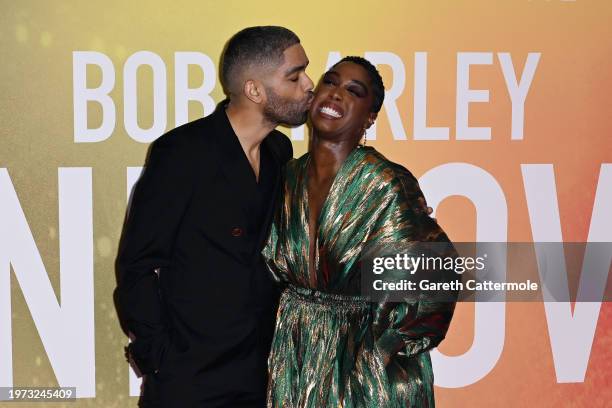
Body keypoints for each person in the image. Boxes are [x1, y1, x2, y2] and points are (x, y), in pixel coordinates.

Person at [115, 26, 313, 407]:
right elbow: (137, 266)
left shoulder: (278, 151)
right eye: (295, 75)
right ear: (255, 90)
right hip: (191, 379)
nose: (309, 84)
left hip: (261, 375)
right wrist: (160, 358)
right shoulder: (182, 153)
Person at [262, 56, 457, 407]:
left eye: (354, 91)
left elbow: (438, 273)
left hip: (361, 370)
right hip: (297, 353)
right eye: (330, 82)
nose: (336, 94)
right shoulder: (288, 177)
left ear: (369, 117)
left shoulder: (384, 183)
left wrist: (382, 349)